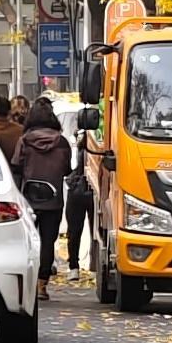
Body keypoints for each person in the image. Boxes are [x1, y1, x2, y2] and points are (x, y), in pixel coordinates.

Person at [12, 92, 70, 298]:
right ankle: (42, 285)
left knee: (27, 240)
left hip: (29, 197)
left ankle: (25, 283)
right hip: (53, 199)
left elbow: (17, 166)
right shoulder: (61, 142)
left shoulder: (25, 141)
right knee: (48, 241)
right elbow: (66, 169)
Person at [65, 106, 97, 285]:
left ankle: (74, 267)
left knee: (74, 231)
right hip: (91, 190)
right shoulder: (99, 140)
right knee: (94, 230)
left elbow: (69, 168)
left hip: (77, 189)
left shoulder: (74, 140)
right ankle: (92, 266)